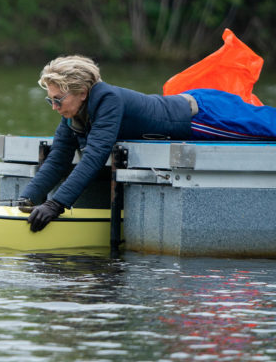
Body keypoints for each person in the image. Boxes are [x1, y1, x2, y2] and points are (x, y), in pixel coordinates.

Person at [20, 54, 276, 231]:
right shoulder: (71, 114)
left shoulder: (107, 99)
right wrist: (27, 199)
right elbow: (58, 159)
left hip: (204, 117)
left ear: (82, 92)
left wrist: (56, 204)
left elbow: (95, 156)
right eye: (50, 100)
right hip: (191, 107)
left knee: (269, 128)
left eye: (58, 100)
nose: (54, 107)